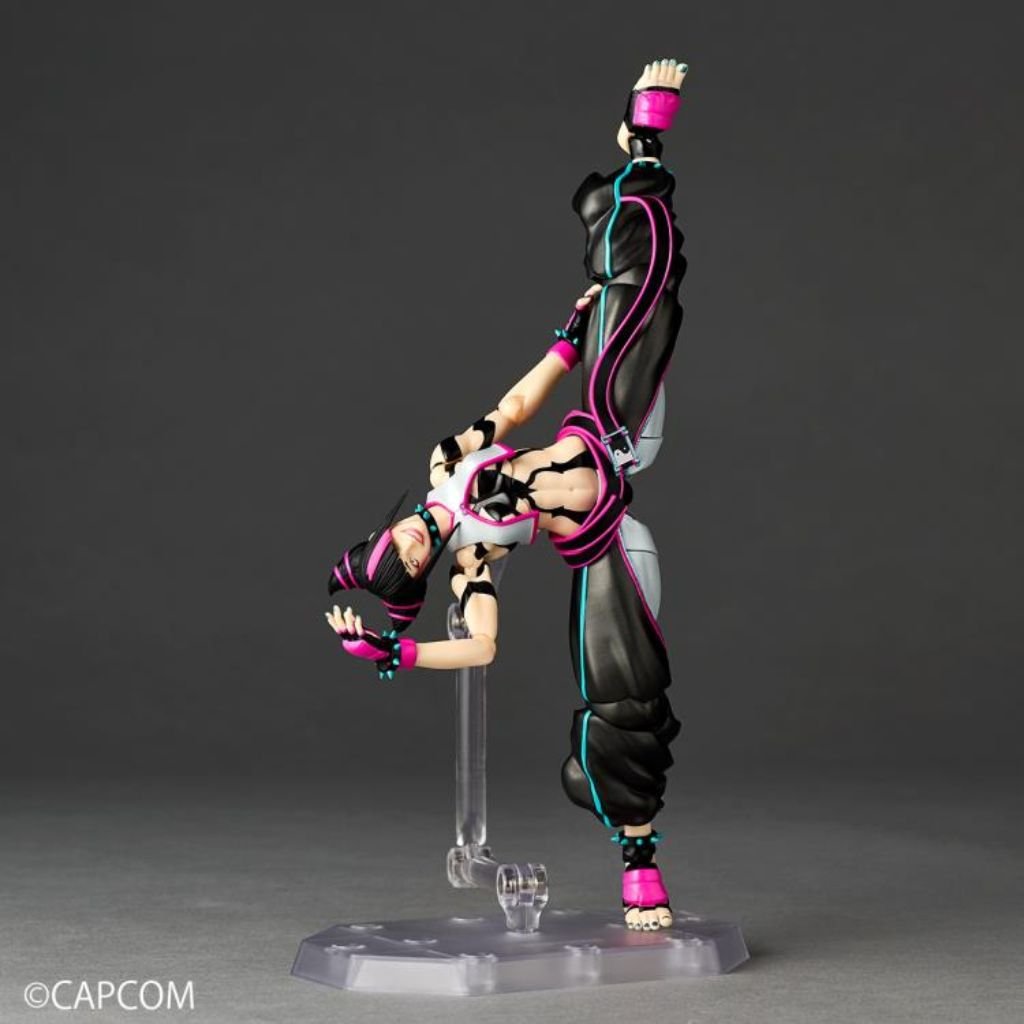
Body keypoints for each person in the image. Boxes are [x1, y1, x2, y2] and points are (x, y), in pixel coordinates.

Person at [326, 59, 688, 931]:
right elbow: (482, 647)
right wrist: (398, 654)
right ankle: (639, 860)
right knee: (625, 693)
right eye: (408, 569)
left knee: (636, 299)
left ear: (390, 530)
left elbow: (513, 408)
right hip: (605, 538)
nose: (412, 549)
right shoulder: (473, 561)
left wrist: (567, 343)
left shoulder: (444, 462)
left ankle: (641, 150)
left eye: (397, 547)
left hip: (609, 432)